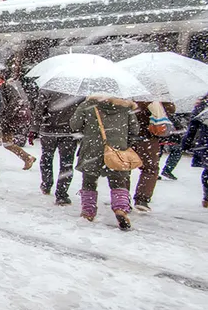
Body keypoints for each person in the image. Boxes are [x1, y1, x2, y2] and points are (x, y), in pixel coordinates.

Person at [70, 94, 139, 230]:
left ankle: (88, 212)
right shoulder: (126, 107)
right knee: (118, 181)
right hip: (116, 150)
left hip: (92, 148)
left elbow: (75, 124)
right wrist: (123, 143)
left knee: (89, 181)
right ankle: (120, 209)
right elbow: (135, 129)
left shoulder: (88, 104)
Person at [33, 89, 83, 205]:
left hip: (48, 130)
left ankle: (46, 183)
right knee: (66, 163)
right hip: (69, 132)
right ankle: (61, 193)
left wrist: (34, 128)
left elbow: (39, 111)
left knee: (46, 157)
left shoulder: (48, 89)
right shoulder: (79, 92)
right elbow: (82, 114)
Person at [131, 100, 176, 212]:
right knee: (150, 169)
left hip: (128, 137)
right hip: (148, 139)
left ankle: (121, 199)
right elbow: (171, 110)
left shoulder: (126, 97)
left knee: (122, 168)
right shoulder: (156, 98)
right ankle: (142, 199)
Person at [0, 69, 36, 170]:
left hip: (7, 120)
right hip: (3, 119)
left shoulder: (6, 88)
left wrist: (5, 117)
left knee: (4, 142)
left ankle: (27, 158)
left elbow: (14, 103)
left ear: (1, 79)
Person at [181, 96, 208, 208]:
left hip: (205, 143)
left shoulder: (203, 106)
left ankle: (207, 197)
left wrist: (186, 143)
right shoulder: (202, 106)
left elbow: (193, 126)